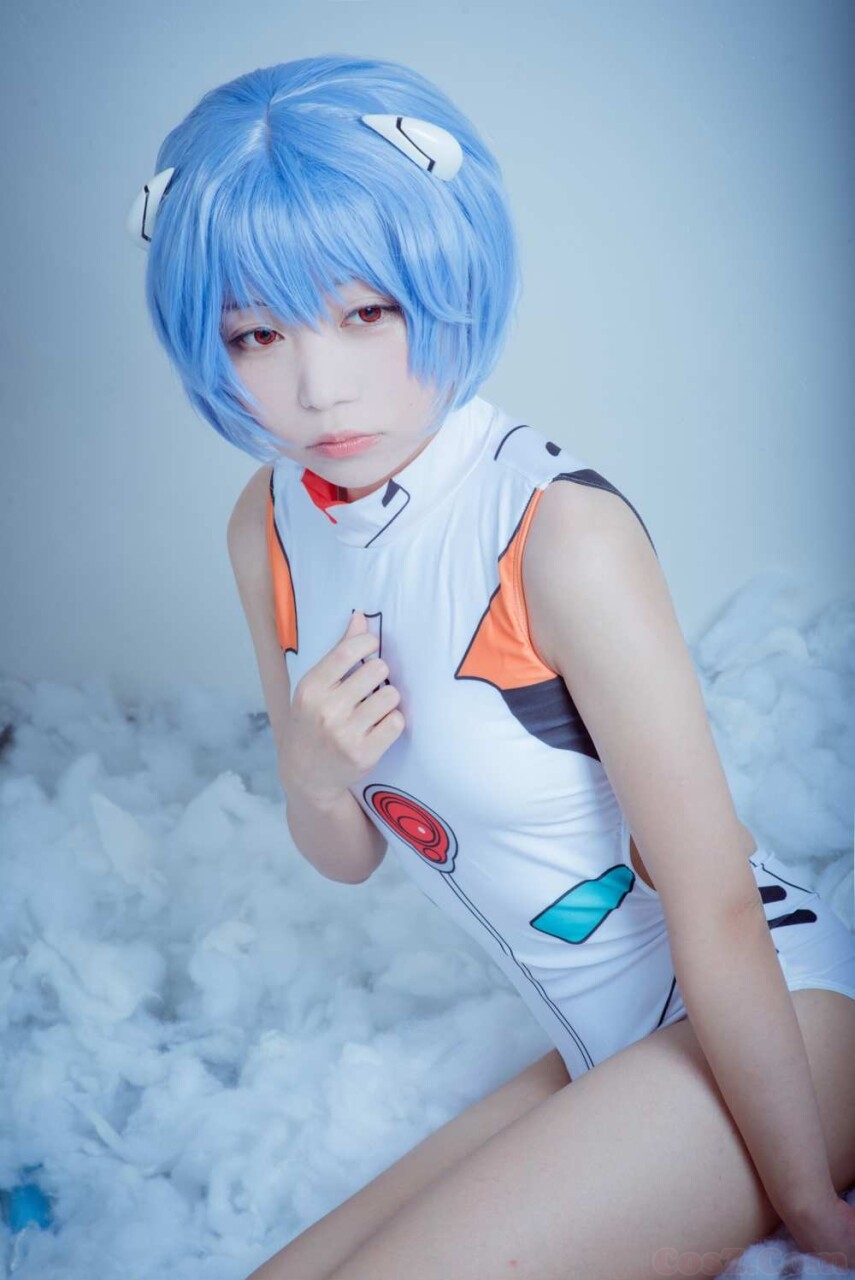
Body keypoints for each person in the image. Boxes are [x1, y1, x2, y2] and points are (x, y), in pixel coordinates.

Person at [128, 53, 855, 1279]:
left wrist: (809, 1205)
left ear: (445, 272)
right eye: (258, 333)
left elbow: (717, 900)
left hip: (779, 1018)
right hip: (598, 1043)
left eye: (367, 313)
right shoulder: (270, 526)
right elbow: (349, 853)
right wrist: (310, 769)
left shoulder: (557, 531)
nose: (319, 386)